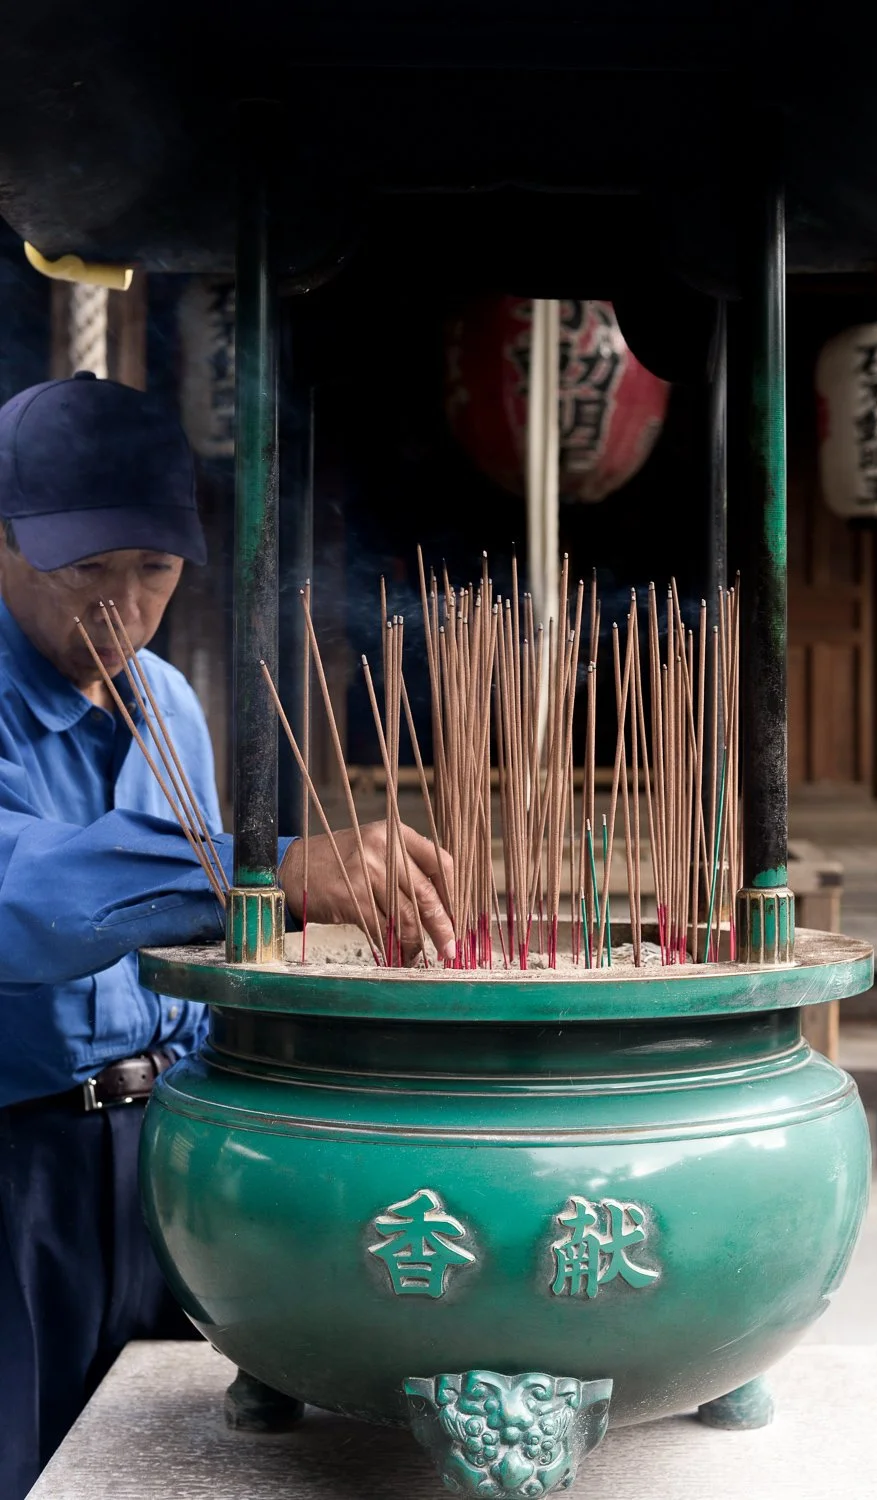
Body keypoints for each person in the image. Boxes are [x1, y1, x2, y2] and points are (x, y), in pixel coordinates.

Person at [0, 372, 455, 1500]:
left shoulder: (169, 702)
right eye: (84, 569)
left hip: (166, 1162)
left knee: (166, 1462)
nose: (121, 607)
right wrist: (267, 866)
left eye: (152, 569)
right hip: (18, 1166)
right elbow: (20, 898)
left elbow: (206, 970)